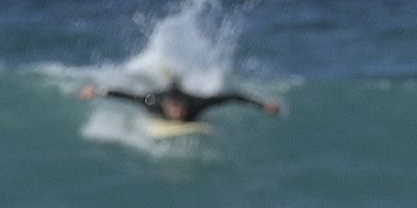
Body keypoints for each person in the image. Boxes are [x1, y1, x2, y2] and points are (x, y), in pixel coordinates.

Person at [77, 76, 285, 124]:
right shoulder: (153, 101)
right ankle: (168, 78)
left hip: (183, 94)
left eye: (180, 108)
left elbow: (231, 97)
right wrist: (95, 91)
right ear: (167, 105)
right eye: (174, 108)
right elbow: (125, 96)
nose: (178, 112)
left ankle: (175, 78)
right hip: (158, 98)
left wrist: (263, 105)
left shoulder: (196, 103)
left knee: (178, 86)